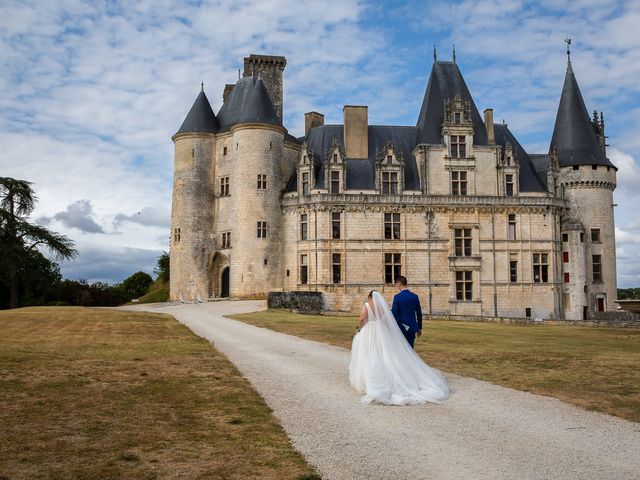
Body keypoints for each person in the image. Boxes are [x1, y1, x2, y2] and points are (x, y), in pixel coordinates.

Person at [349, 290, 448, 405]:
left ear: (369, 297)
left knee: (369, 355)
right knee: (384, 355)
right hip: (381, 332)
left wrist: (361, 328)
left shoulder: (367, 305)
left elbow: (362, 319)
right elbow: (386, 320)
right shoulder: (381, 307)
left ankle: (370, 381)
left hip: (369, 331)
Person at [391, 276, 422, 348]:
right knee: (410, 349)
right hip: (412, 327)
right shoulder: (415, 296)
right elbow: (419, 313)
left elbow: (394, 314)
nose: (397, 286)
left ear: (399, 284)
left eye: (396, 284)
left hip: (400, 328)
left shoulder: (397, 297)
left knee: (401, 349)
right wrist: (419, 328)